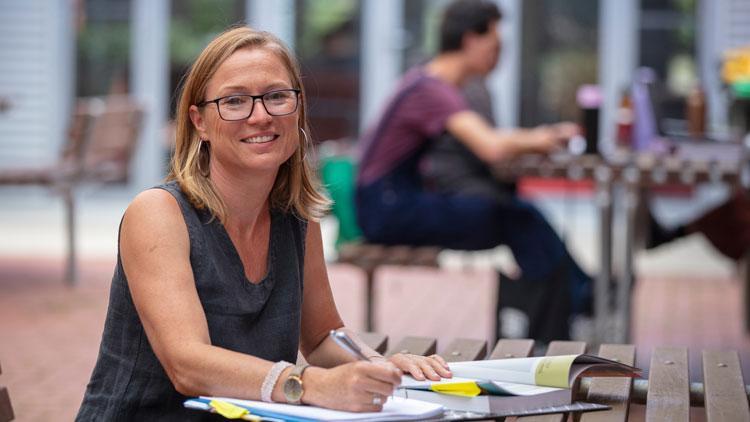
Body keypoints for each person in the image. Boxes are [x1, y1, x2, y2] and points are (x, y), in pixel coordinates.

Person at [76, 27, 450, 421]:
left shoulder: (296, 217)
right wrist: (307, 386)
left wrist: (380, 369)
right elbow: (186, 364)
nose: (260, 115)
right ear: (199, 121)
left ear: (297, 108)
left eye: (276, 97)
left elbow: (322, 338)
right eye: (235, 101)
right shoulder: (159, 213)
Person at [355, 0, 591, 341]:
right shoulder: (432, 89)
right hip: (386, 209)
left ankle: (564, 307)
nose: (500, 54)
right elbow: (490, 146)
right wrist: (544, 137)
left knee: (519, 216)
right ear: (470, 40)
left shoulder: (427, 82)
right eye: (495, 43)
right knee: (517, 217)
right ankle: (566, 309)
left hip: (390, 203)